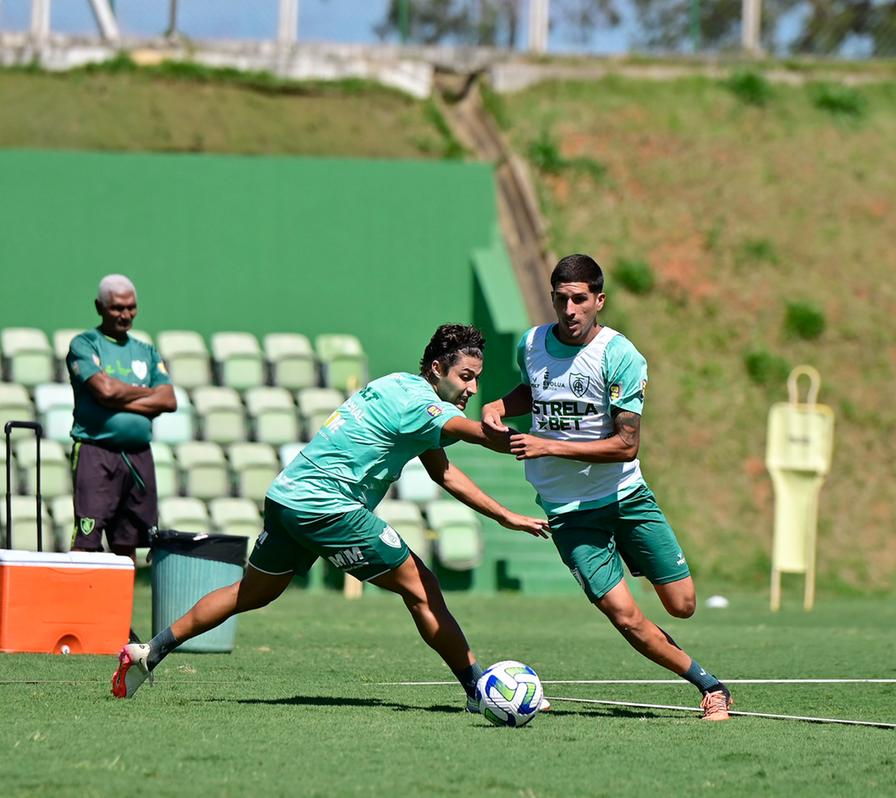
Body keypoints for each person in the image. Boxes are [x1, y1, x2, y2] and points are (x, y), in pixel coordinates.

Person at [112, 324, 550, 704]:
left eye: (477, 380)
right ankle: (480, 691)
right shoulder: (422, 404)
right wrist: (549, 439)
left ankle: (150, 651)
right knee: (423, 589)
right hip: (328, 506)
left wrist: (504, 516)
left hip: (287, 499)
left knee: (251, 592)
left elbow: (446, 475)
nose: (472, 389)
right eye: (466, 378)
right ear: (437, 369)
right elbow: (478, 435)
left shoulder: (397, 384)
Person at [482, 254, 732, 721]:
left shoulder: (619, 355)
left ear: (599, 301)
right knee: (625, 617)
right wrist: (499, 403)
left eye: (580, 299)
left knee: (683, 606)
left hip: (625, 498)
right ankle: (709, 685)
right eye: (561, 299)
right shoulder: (531, 343)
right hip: (569, 514)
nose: (570, 309)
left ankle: (633, 551)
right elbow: (531, 391)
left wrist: (548, 446)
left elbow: (625, 446)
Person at [68, 275, 177, 641]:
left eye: (130, 306)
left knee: (126, 543)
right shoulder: (85, 344)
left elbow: (169, 400)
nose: (125, 313)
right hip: (96, 453)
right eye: (117, 307)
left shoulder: (146, 350)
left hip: (138, 458)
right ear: (100, 307)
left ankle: (116, 624)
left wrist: (121, 395)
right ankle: (81, 619)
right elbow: (103, 390)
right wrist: (143, 394)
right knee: (88, 538)